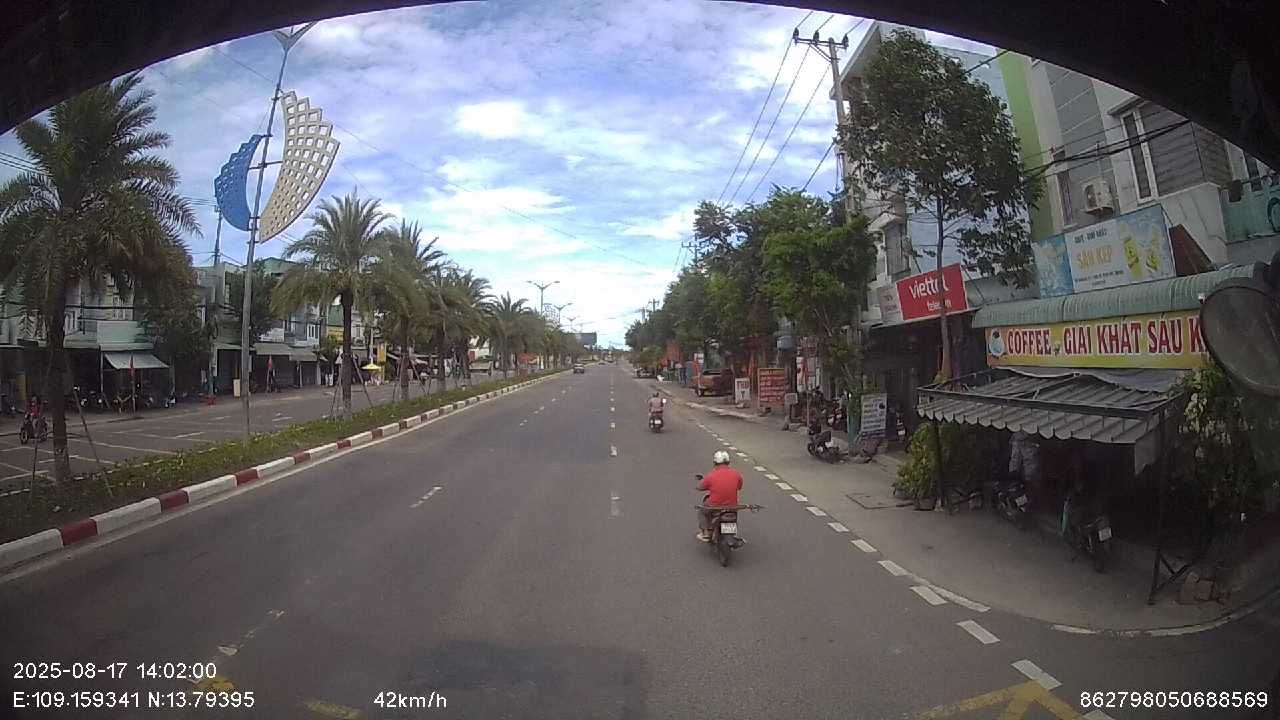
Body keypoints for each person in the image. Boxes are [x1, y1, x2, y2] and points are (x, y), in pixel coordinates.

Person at [696, 450, 744, 542]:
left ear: (715, 463)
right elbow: (739, 487)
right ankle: (732, 532)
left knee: (702, 511)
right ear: (728, 462)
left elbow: (699, 487)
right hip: (732, 506)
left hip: (715, 506)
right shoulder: (736, 474)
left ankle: (706, 533)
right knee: (734, 511)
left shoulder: (711, 475)